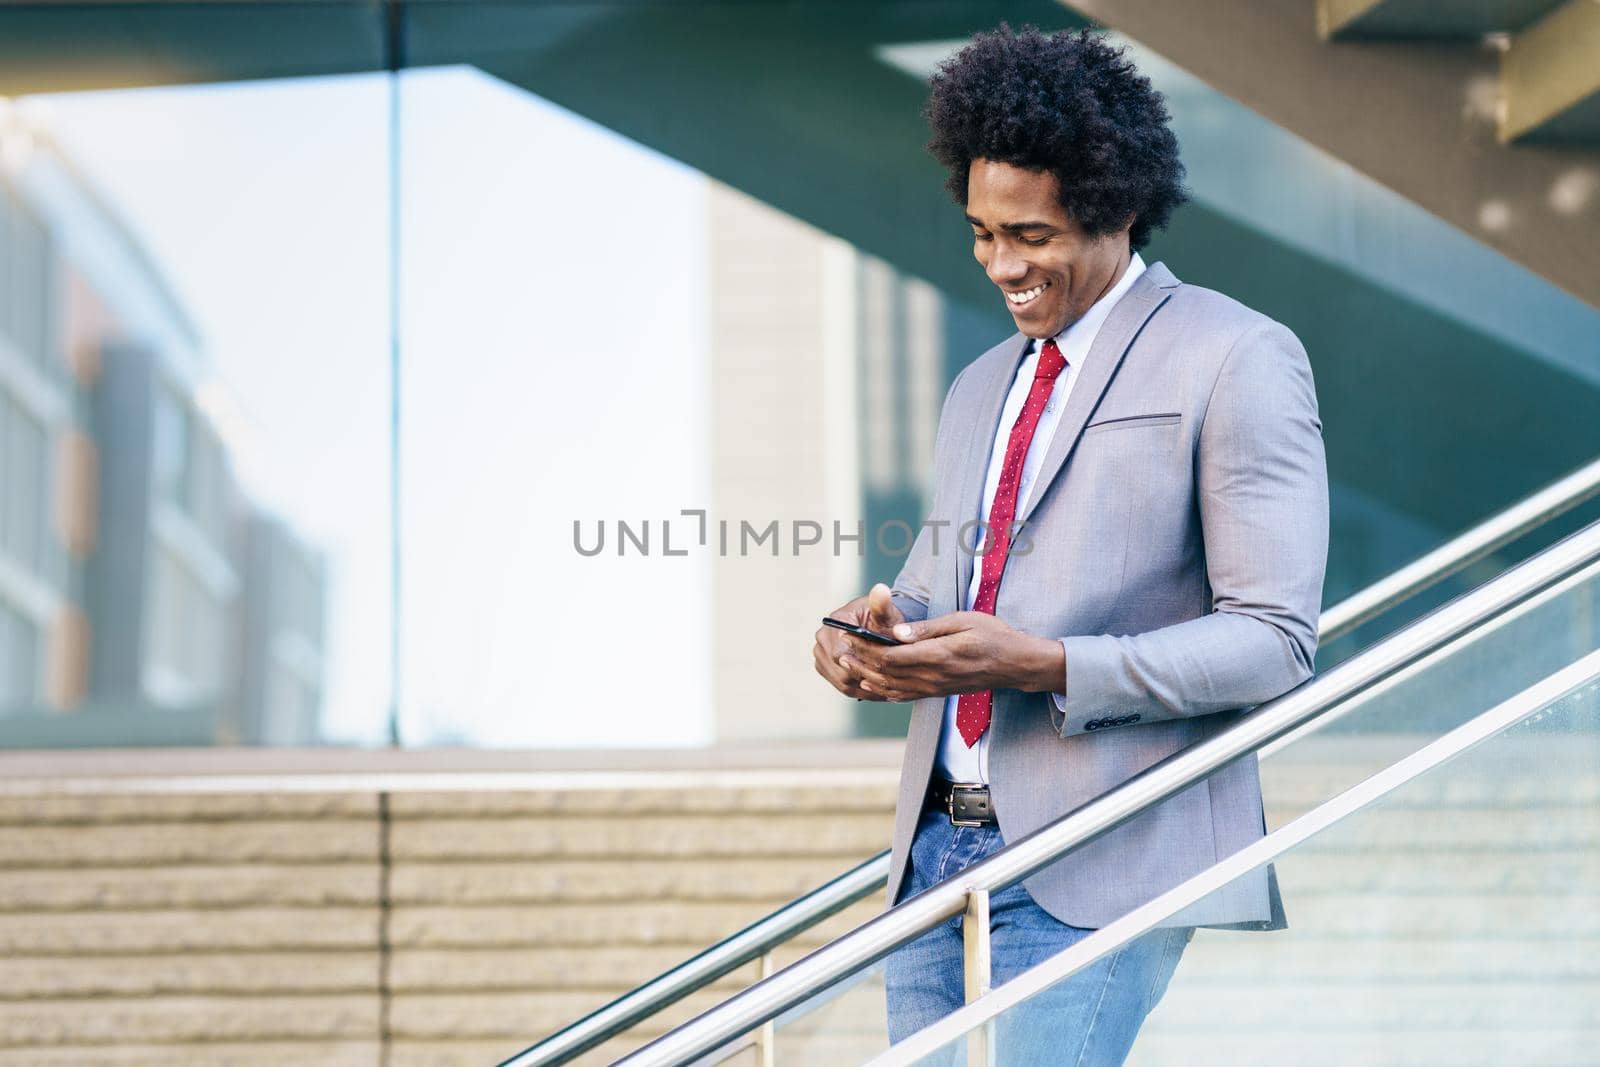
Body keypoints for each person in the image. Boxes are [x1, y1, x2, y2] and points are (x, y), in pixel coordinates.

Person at [811, 25, 1329, 1066]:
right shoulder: (976, 388)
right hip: (932, 853)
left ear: (1117, 208)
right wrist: (867, 636)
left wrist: (1046, 664)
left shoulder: (1235, 356)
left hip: (1106, 850)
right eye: (981, 232)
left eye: (1032, 235)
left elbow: (1274, 639)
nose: (1002, 263)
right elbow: (927, 586)